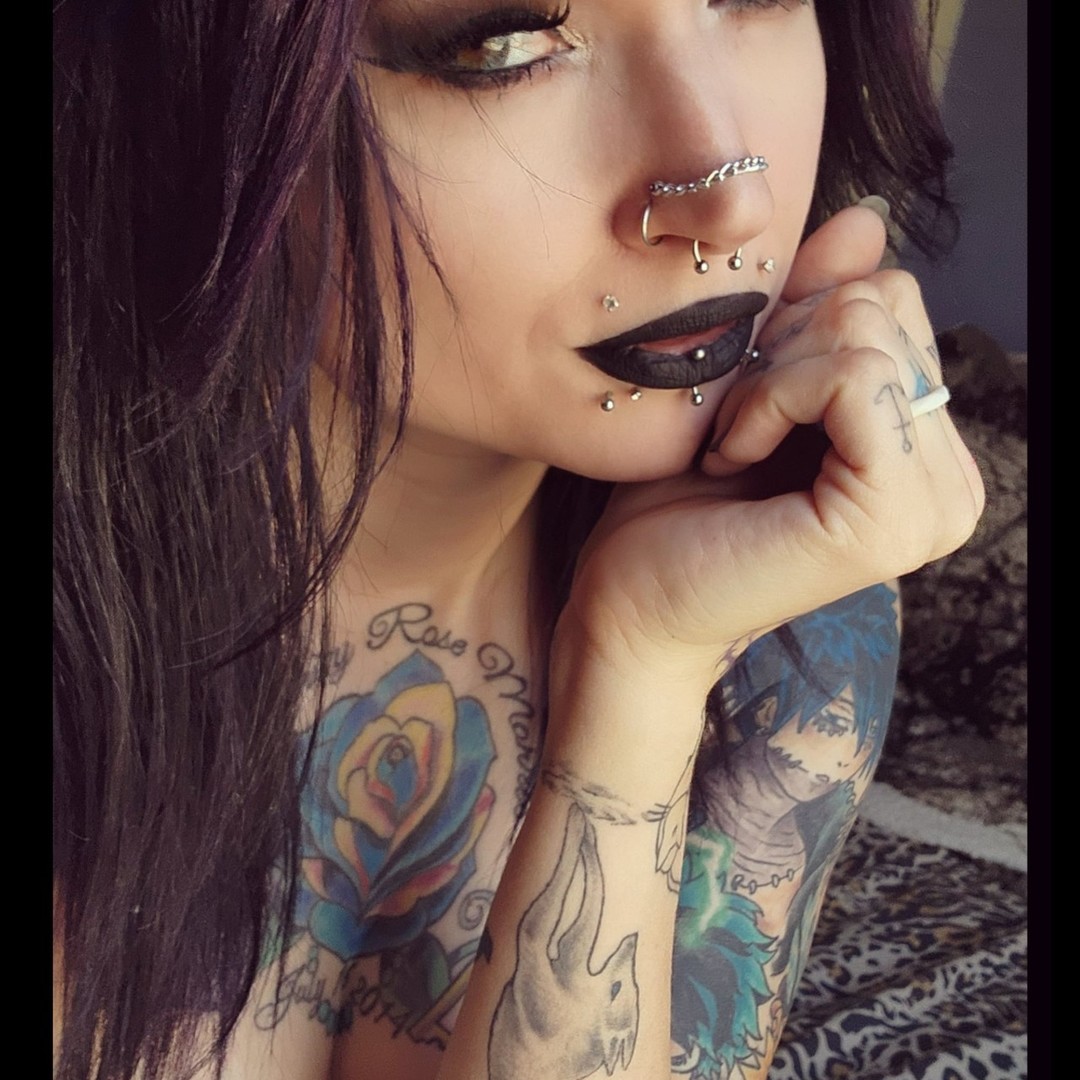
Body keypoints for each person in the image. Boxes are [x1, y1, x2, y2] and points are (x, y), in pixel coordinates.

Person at [53, 1, 985, 1078]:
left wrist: (641, 674)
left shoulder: (787, 618)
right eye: (501, 49)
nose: (732, 198)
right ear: (180, 104)